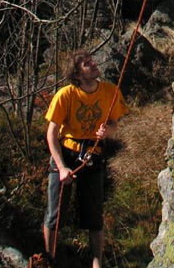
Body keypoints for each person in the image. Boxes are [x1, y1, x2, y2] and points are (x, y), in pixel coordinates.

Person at [42, 50, 129, 268]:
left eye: (91, 60)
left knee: (94, 215)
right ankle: (49, 259)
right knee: (55, 214)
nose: (93, 63)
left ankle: (96, 262)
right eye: (86, 63)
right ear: (77, 74)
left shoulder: (110, 91)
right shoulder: (65, 95)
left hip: (93, 154)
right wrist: (61, 167)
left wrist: (107, 131)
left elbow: (115, 125)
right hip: (67, 153)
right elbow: (52, 134)